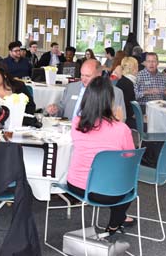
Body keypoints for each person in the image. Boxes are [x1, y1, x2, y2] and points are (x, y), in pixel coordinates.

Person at [66, 76, 136, 236]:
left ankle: (117, 221)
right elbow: (130, 159)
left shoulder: (77, 122)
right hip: (109, 192)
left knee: (116, 180)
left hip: (77, 186)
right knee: (128, 182)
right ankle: (113, 225)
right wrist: (117, 121)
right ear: (109, 100)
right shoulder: (121, 129)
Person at [46, 59, 125, 120]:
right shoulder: (71, 88)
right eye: (82, 75)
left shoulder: (114, 92)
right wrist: (55, 110)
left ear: (99, 74)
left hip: (96, 135)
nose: (83, 79)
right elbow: (62, 108)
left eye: (87, 76)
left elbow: (120, 119)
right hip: (68, 130)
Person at [0, 61, 37, 126]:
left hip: (18, 124)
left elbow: (31, 106)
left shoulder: (18, 86)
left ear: (4, 75)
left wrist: (21, 119)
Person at [116, 57, 139, 129]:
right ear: (134, 69)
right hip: (125, 120)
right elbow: (127, 108)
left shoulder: (123, 80)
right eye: (137, 67)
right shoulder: (128, 84)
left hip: (120, 117)